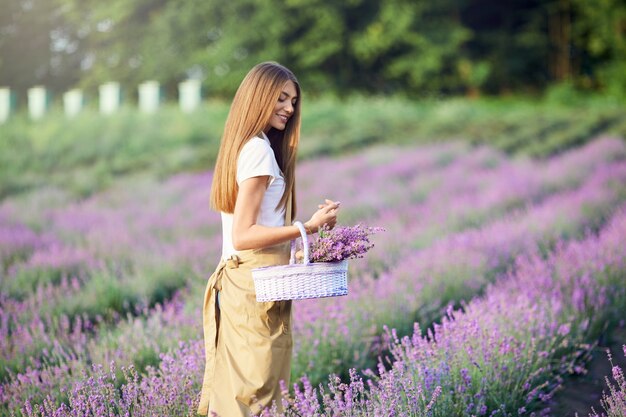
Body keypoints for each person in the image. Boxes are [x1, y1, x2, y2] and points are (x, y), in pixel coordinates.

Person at [197, 61, 340, 416]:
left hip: (255, 283)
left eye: (292, 101)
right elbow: (243, 235)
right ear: (259, 97)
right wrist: (306, 228)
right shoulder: (258, 151)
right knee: (253, 397)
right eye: (281, 98)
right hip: (252, 284)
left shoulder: (250, 146)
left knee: (246, 393)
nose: (290, 109)